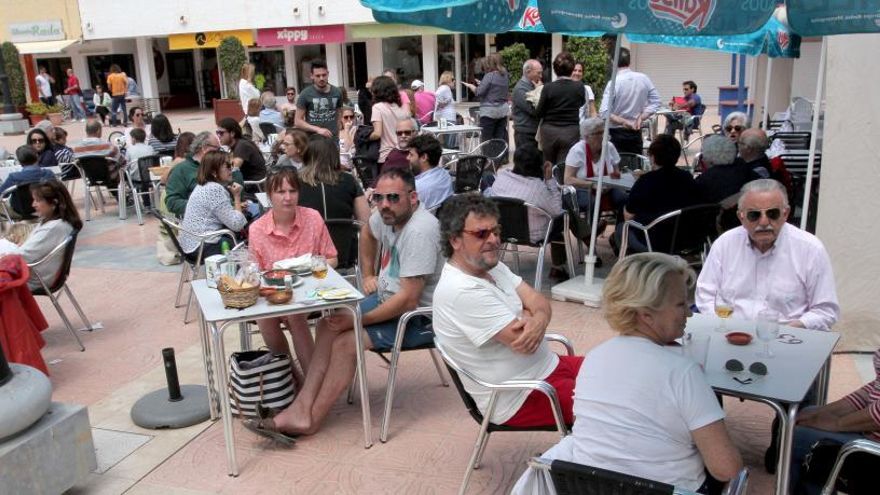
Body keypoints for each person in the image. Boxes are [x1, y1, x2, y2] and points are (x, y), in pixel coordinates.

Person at [515, 253, 743, 495]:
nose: (688, 313)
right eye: (680, 304)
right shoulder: (683, 372)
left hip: (592, 488)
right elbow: (726, 469)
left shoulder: (594, 358)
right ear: (646, 314)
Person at [243, 169, 443, 440]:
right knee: (330, 323)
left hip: (418, 317)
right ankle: (303, 405)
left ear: (413, 197)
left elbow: (408, 300)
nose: (385, 204)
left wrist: (357, 320)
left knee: (345, 341)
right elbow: (367, 233)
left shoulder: (420, 230)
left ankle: (308, 418)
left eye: (393, 197)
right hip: (387, 299)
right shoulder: (387, 216)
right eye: (379, 197)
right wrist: (369, 274)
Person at [433, 194, 582, 427]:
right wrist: (531, 313)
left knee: (621, 372)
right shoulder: (461, 290)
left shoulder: (492, 265)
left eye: (496, 230)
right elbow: (524, 342)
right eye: (482, 234)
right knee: (618, 406)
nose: (493, 240)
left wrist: (537, 317)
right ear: (455, 240)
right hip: (520, 395)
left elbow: (539, 301)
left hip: (548, 367)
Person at [696, 179, 839, 330]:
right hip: (732, 336)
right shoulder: (725, 244)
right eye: (754, 215)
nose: (764, 222)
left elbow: (825, 310)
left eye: (772, 213)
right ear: (741, 217)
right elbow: (706, 296)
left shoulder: (810, 249)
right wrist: (725, 326)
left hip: (788, 339)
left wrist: (795, 327)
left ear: (786, 214)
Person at [248, 166, 338, 384]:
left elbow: (332, 257)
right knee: (264, 319)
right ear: (269, 195)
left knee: (296, 316)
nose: (288, 198)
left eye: (292, 191)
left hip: (308, 290)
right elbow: (255, 273)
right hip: (274, 292)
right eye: (280, 192)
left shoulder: (312, 218)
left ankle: (312, 382)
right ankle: (292, 376)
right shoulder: (258, 229)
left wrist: (313, 268)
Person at [789, 346, 880, 494]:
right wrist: (822, 413)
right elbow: (874, 387)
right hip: (871, 434)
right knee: (807, 413)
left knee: (796, 436)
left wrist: (835, 423)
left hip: (874, 448)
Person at [486, 144, 570, 279]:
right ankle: (558, 266)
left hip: (504, 231)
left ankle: (586, 235)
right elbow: (556, 211)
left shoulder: (501, 178)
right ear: (539, 166)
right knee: (565, 216)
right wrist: (549, 180)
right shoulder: (538, 188)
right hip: (534, 235)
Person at [616, 134, 702, 254]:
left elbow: (628, 216)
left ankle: (634, 266)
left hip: (652, 239)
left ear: (653, 158)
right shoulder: (687, 178)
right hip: (685, 238)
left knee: (621, 227)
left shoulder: (646, 181)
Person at [0, 180, 83, 291]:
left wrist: (5, 254)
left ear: (54, 203)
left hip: (34, 278)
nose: (33, 204)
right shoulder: (59, 222)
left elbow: (21, 257)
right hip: (40, 272)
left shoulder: (53, 228)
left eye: (37, 200)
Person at [178, 150, 247, 262]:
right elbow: (237, 224)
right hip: (201, 247)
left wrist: (236, 206)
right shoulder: (215, 189)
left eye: (232, 165)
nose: (232, 169)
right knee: (247, 247)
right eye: (228, 166)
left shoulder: (203, 185)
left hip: (190, 244)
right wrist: (237, 197)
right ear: (214, 172)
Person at [599, 47, 661, 155]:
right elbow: (656, 101)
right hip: (635, 131)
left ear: (613, 62)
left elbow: (604, 112)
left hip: (615, 133)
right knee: (635, 167)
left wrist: (624, 122)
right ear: (629, 61)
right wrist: (641, 117)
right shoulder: (643, 78)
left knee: (616, 168)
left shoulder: (613, 82)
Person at [297, 137, 370, 223]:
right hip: (343, 234)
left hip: (309, 234)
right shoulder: (349, 180)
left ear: (307, 157)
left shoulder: (295, 182)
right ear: (335, 156)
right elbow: (365, 220)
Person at [564, 117, 623, 212]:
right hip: (581, 189)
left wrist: (609, 185)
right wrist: (593, 185)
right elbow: (568, 179)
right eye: (599, 133)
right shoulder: (577, 150)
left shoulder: (609, 147)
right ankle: (593, 227)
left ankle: (621, 226)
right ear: (587, 137)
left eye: (604, 132)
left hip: (607, 188)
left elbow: (617, 172)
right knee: (593, 203)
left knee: (624, 199)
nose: (603, 136)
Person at [536, 52, 586, 164]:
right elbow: (581, 103)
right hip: (570, 131)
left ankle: (548, 181)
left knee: (548, 164)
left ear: (554, 69)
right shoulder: (579, 87)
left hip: (549, 132)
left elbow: (539, 112)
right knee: (565, 165)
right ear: (572, 68)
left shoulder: (548, 87)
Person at [164, 131, 227, 217]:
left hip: (226, 214)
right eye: (217, 149)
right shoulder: (181, 170)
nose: (220, 153)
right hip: (200, 222)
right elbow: (172, 203)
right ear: (204, 148)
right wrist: (201, 206)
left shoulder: (219, 166)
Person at [461, 53, 510, 148]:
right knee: (499, 138)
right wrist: (482, 83)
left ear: (490, 63)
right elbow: (497, 89)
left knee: (486, 140)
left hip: (489, 112)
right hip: (503, 110)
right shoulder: (505, 75)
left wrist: (472, 87)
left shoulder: (489, 76)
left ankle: (487, 160)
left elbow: (479, 92)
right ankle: (498, 161)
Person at [695, 135, 760, 205]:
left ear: (708, 157)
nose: (702, 159)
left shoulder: (706, 179)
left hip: (722, 214)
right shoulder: (744, 167)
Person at [0, 146, 56, 220]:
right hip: (46, 208)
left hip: (21, 212)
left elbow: (2, 194)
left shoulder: (14, 177)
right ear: (38, 157)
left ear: (19, 161)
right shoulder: (48, 174)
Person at [295, 59, 344, 140]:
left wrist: (337, 131)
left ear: (328, 74)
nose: (321, 78)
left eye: (324, 75)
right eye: (318, 76)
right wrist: (318, 130)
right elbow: (297, 121)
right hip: (314, 141)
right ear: (312, 76)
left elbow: (339, 113)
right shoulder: (305, 94)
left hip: (333, 140)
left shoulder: (337, 92)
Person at [736, 128, 793, 195]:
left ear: (748, 148)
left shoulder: (759, 172)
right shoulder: (759, 161)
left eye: (740, 143)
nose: (738, 146)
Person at [369, 75, 409, 168]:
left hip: (387, 155)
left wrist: (365, 137)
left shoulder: (377, 107)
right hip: (403, 153)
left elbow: (377, 133)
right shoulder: (400, 107)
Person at [407, 133, 452, 211]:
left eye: (411, 155)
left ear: (424, 157)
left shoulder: (417, 188)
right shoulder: (446, 176)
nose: (407, 158)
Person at [216, 118, 267, 182]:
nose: (218, 136)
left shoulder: (242, 145)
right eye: (217, 133)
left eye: (221, 133)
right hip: (248, 182)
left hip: (253, 185)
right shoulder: (239, 143)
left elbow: (233, 169)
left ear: (232, 133)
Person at [512, 59, 543, 150]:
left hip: (533, 132)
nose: (540, 76)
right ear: (528, 72)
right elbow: (534, 110)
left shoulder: (534, 85)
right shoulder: (520, 89)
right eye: (538, 73)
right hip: (525, 134)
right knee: (525, 163)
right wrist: (539, 90)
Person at [433, 71, 458, 147]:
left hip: (443, 118)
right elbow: (441, 102)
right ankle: (450, 158)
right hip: (448, 118)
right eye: (453, 79)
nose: (454, 81)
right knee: (450, 143)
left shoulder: (441, 88)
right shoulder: (446, 88)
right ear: (448, 79)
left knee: (446, 142)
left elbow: (437, 101)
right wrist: (441, 105)